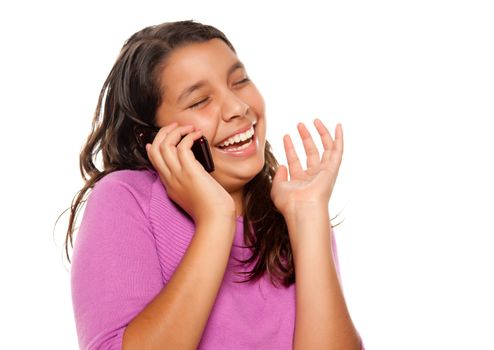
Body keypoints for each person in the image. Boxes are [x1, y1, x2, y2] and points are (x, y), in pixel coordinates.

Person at [66, 20, 364, 350]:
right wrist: (215, 221)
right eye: (199, 101)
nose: (239, 108)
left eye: (240, 81)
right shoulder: (126, 198)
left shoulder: (293, 214)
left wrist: (309, 218)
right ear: (151, 137)